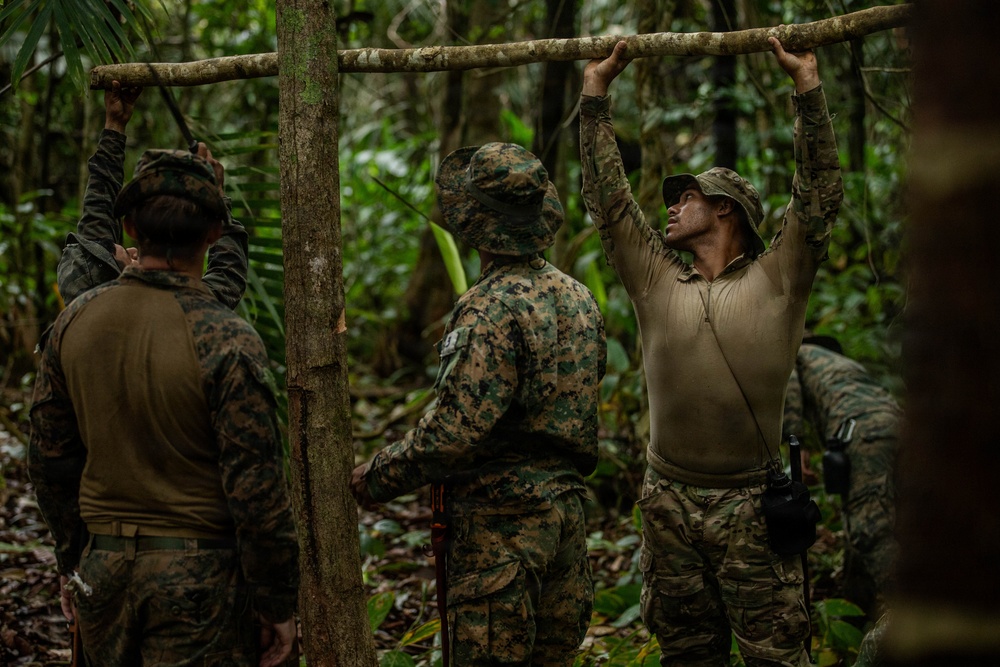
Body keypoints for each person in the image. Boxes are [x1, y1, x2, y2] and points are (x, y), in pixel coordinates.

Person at [579, 36, 843, 666]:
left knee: (776, 657)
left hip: (751, 509)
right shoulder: (655, 278)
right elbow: (609, 204)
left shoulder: (778, 279)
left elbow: (817, 196)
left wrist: (808, 90)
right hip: (666, 502)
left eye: (685, 198)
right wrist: (595, 96)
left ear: (724, 209)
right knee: (687, 655)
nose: (670, 207)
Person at [29, 146, 299, 666]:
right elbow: (257, 488)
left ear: (128, 228)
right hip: (199, 585)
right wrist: (276, 602)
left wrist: (74, 562)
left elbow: (49, 462)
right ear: (214, 233)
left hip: (103, 572)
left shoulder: (74, 322)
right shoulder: (225, 335)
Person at [351, 142, 607, 665]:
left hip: (501, 532)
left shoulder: (487, 306)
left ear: (473, 226)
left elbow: (453, 433)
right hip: (566, 522)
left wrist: (373, 478)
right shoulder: (580, 298)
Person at [57, 80, 248, 309]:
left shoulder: (84, 308)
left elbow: (96, 227)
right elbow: (228, 273)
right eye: (124, 256)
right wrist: (216, 192)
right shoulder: (206, 315)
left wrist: (114, 125)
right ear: (214, 233)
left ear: (130, 226)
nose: (132, 251)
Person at [783, 339, 901, 617]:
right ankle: (856, 606)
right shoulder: (839, 366)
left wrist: (794, 442)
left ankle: (911, 606)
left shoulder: (793, 353)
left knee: (869, 528)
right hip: (896, 425)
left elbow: (789, 387)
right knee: (876, 515)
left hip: (861, 432)